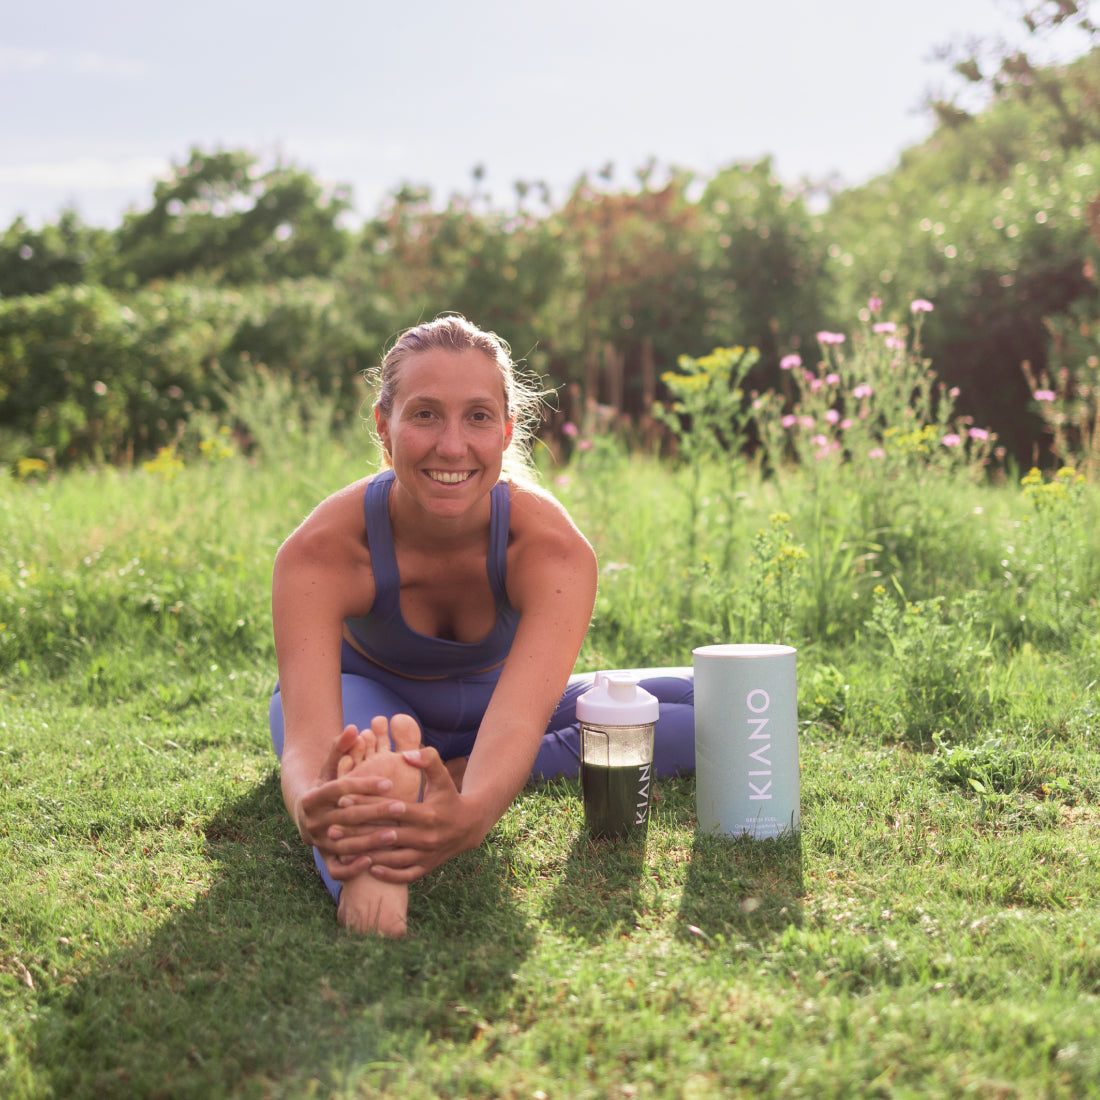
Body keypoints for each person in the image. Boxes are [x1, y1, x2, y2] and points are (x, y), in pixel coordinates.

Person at [269, 314, 694, 936]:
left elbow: (520, 717)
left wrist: (471, 811)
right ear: (384, 428)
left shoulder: (549, 548)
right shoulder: (322, 551)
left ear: (505, 432)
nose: (451, 446)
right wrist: (311, 800)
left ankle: (452, 772)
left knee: (729, 708)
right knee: (358, 767)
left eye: (476, 417)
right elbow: (310, 741)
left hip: (502, 710)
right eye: (424, 415)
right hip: (367, 706)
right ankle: (374, 858)